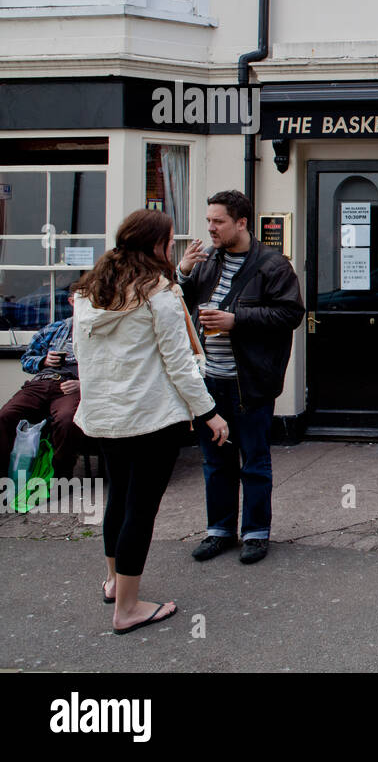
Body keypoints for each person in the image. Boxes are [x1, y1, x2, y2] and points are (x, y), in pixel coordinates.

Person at [72, 209, 229, 634]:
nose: (173, 247)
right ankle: (128, 608)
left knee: (118, 500)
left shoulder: (89, 292)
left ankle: (112, 582)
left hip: (103, 418)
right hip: (150, 419)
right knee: (140, 511)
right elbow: (179, 364)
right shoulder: (158, 292)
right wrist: (209, 412)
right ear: (156, 245)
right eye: (170, 241)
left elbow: (85, 359)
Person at [178, 190, 304, 565]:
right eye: (209, 221)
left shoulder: (272, 265)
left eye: (218, 221)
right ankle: (218, 530)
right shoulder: (206, 261)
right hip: (209, 379)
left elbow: (290, 314)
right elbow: (177, 309)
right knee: (214, 460)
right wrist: (182, 273)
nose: (211, 228)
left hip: (249, 380)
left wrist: (238, 320)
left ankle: (255, 533)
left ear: (242, 222)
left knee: (253, 460)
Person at [0, 301, 86, 480]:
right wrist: (43, 361)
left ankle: (61, 476)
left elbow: (109, 367)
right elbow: (26, 360)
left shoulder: (101, 331)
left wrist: (83, 383)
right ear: (72, 301)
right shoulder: (55, 329)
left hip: (71, 385)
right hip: (42, 381)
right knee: (6, 415)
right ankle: (5, 475)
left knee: (66, 421)